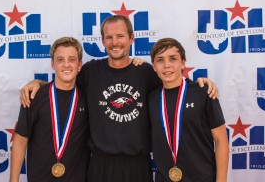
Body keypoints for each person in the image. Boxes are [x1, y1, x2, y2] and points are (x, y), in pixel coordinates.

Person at [19, 15, 219, 182]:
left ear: (131, 39)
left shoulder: (146, 72)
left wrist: (200, 82)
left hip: (138, 165)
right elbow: (64, 80)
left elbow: (174, 84)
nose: (115, 42)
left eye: (120, 36)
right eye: (109, 37)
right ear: (103, 41)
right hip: (99, 165)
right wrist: (38, 84)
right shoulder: (90, 71)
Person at [148, 38, 228, 182]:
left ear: (183, 63)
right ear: (154, 66)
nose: (167, 65)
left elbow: (221, 140)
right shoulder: (151, 98)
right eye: (160, 60)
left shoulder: (204, 93)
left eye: (173, 59)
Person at [10, 37, 90, 182]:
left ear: (79, 64)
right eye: (60, 60)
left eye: (71, 59)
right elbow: (20, 141)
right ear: (53, 64)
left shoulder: (88, 97)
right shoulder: (34, 96)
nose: (66, 64)